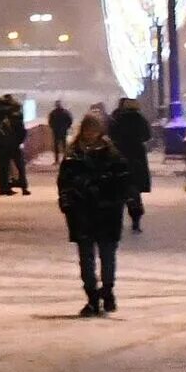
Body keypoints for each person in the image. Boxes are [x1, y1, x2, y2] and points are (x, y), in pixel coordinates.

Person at [57, 110, 131, 315]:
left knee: (107, 257)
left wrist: (114, 199)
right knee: (86, 259)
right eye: (88, 129)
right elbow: (64, 182)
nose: (91, 133)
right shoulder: (73, 155)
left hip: (106, 213)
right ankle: (92, 296)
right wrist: (67, 202)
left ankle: (107, 291)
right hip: (82, 213)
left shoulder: (112, 154)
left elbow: (122, 182)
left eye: (94, 129)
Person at [108, 96, 153, 232]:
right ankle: (136, 221)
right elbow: (147, 136)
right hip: (137, 157)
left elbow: (110, 134)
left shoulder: (116, 119)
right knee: (134, 191)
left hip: (119, 155)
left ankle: (117, 222)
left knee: (118, 190)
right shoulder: (140, 119)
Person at [0, 94, 30, 196]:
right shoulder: (6, 115)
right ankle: (16, 187)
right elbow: (21, 130)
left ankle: (7, 187)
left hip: (5, 145)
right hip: (9, 145)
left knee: (5, 167)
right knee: (15, 167)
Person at [47, 99, 74, 164]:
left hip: (56, 131)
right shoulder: (65, 112)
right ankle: (65, 158)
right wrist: (67, 127)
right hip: (63, 131)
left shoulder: (53, 113)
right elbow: (70, 120)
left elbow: (50, 122)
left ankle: (57, 160)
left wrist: (53, 127)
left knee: (56, 146)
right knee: (64, 145)